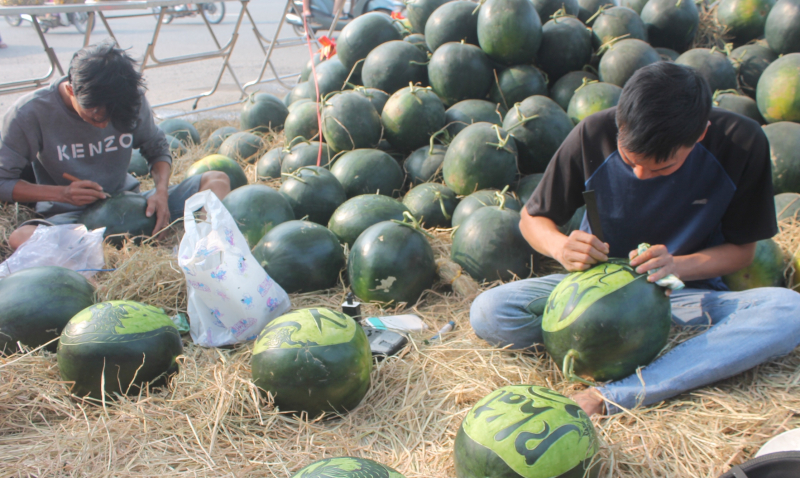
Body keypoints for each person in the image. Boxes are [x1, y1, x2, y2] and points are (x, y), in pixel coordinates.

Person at [469, 62, 800, 417]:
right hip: (592, 297)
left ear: (700, 135)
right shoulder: (592, 133)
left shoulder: (742, 143)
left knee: (788, 311)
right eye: (631, 160)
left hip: (682, 298)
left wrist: (677, 265)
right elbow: (532, 219)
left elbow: (742, 253)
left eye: (661, 169)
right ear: (620, 123)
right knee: (489, 311)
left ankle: (623, 392)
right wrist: (560, 246)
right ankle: (633, 347)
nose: (642, 175)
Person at [0, 40, 231, 250]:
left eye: (114, 118)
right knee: (21, 238)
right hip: (71, 217)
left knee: (217, 181)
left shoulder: (129, 99)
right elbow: (3, 182)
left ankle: (201, 251)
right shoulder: (29, 113)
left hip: (130, 205)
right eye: (95, 117)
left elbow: (157, 147)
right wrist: (62, 193)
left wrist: (161, 193)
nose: (104, 126)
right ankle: (102, 253)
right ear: (71, 90)